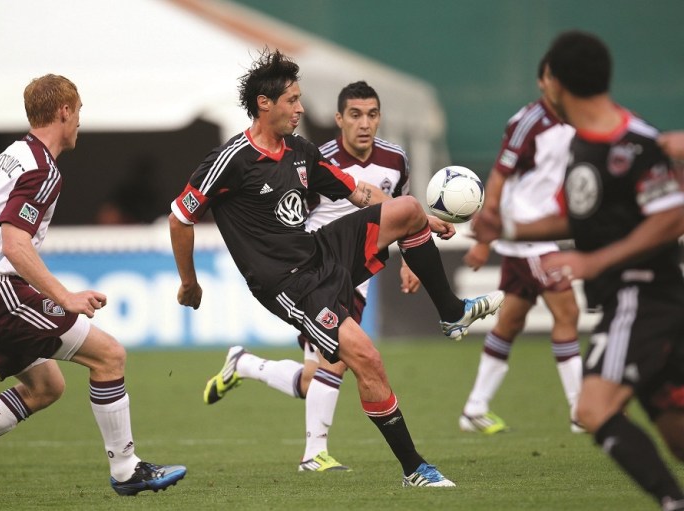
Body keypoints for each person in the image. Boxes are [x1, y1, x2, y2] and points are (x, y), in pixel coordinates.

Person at [169, 48, 503, 487]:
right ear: (265, 103)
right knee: (366, 359)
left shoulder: (301, 151)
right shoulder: (230, 160)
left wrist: (424, 216)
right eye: (292, 100)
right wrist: (189, 283)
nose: (301, 108)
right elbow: (180, 216)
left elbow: (359, 193)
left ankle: (451, 312)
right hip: (289, 283)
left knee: (405, 208)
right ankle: (414, 469)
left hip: (320, 251)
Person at [0, 74, 186, 500]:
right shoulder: (43, 168)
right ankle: (126, 468)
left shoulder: (7, 157)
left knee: (48, 387)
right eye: (78, 111)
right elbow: (14, 241)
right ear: (64, 111)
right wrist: (64, 296)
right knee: (110, 355)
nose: (79, 121)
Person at [474, 31, 684, 510]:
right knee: (676, 436)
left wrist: (593, 261)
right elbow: (576, 216)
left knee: (592, 409)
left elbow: (672, 216)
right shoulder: (582, 147)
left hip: (643, 295)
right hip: (632, 299)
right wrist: (503, 224)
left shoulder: (634, 144)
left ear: (558, 84)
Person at [201, 81, 425, 472]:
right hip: (316, 271)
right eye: (355, 114)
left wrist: (415, 248)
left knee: (315, 378)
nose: (364, 123)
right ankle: (314, 453)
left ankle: (245, 365)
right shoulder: (309, 155)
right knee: (338, 363)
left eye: (372, 114)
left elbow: (391, 208)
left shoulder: (395, 160)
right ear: (339, 119)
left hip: (356, 272)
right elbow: (287, 212)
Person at [460, 57, 583, 434]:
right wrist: (485, 238)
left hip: (540, 237)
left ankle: (474, 408)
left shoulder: (577, 119)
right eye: (552, 77)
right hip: (529, 241)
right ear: (542, 81)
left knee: (511, 321)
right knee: (568, 313)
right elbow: (500, 174)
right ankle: (581, 411)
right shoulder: (529, 121)